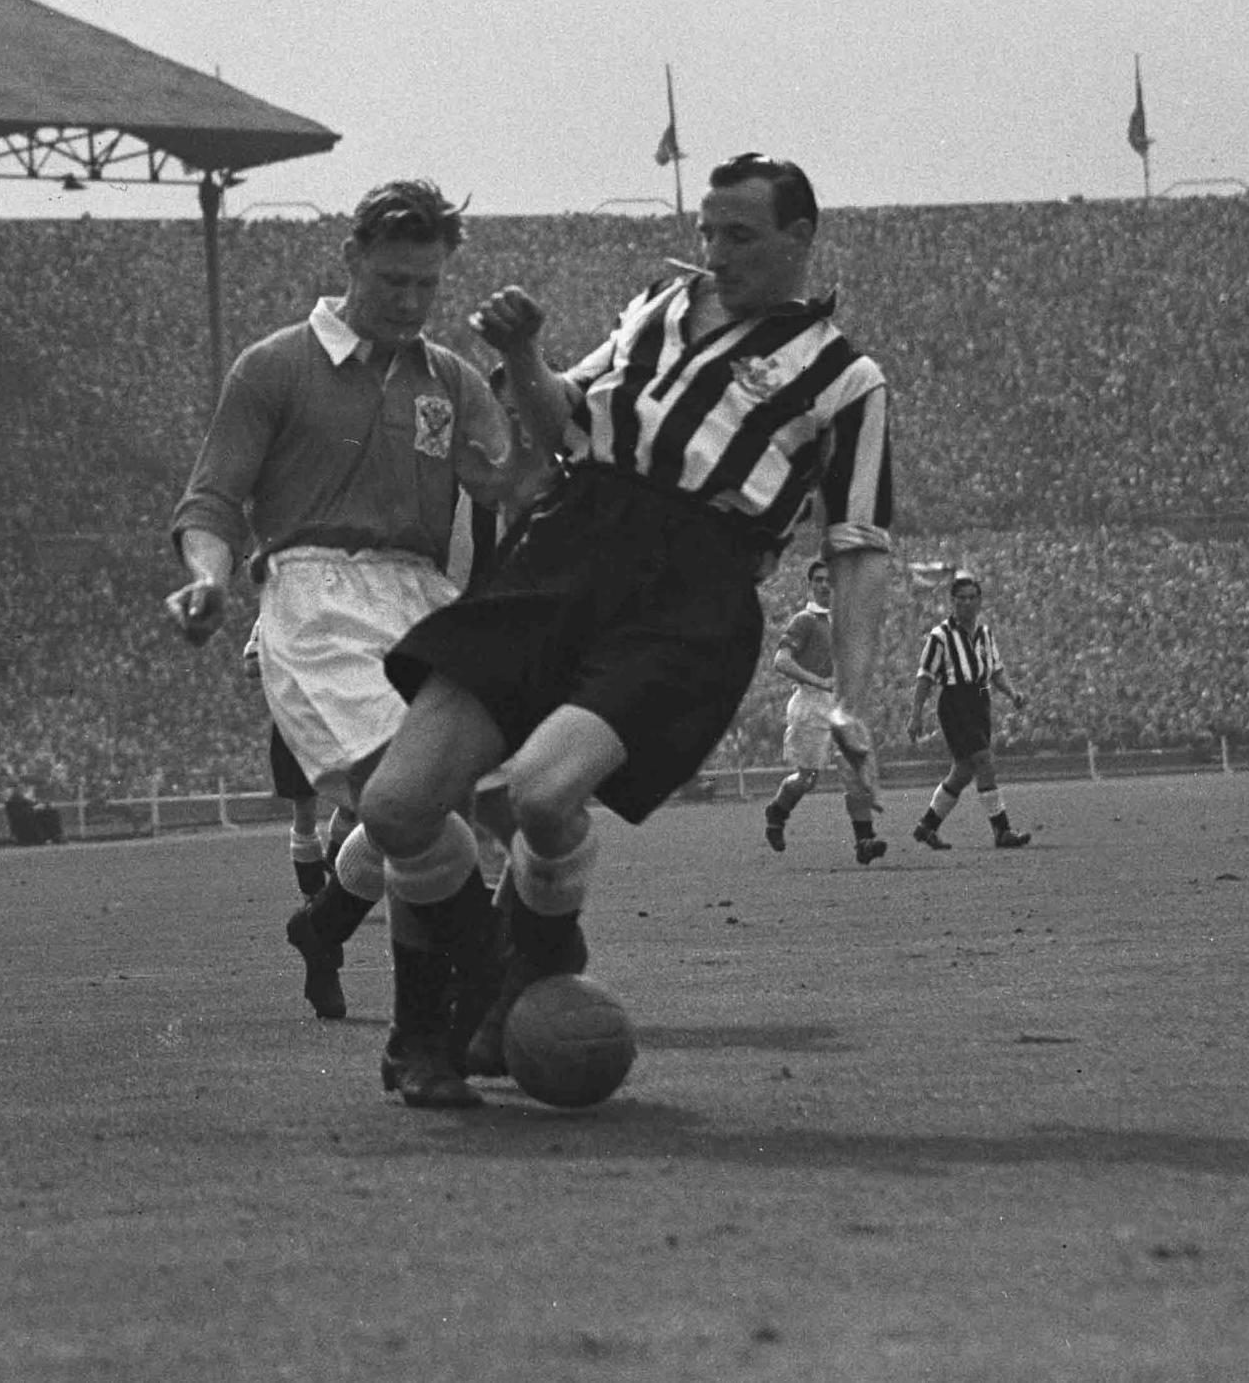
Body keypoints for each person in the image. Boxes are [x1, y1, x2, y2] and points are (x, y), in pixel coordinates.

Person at [357, 152, 895, 1110]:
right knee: (397, 808)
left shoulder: (846, 379)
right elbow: (559, 419)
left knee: (539, 791)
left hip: (688, 597)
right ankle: (455, 1010)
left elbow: (854, 543)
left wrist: (854, 695)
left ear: (799, 239)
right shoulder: (656, 306)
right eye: (707, 232)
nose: (716, 252)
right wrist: (523, 353)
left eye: (740, 236)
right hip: (562, 551)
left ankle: (476, 1000)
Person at [166, 178, 521, 1105]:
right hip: (315, 597)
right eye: (394, 281)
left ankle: (416, 1039)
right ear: (352, 257)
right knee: (407, 811)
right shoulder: (275, 367)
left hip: (425, 598)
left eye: (427, 287)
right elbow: (212, 502)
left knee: (468, 812)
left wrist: (530, 381)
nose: (409, 303)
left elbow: (511, 487)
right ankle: (493, 987)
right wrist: (206, 578)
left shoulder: (450, 378)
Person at [761, 557, 883, 861]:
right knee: (807, 779)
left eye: (830, 580)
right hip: (810, 703)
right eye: (819, 580)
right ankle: (777, 812)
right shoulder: (805, 620)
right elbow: (781, 661)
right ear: (810, 585)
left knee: (855, 772)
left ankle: (864, 842)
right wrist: (820, 681)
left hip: (840, 706)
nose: (825, 585)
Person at [904, 570, 1029, 850]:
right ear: (952, 602)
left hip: (980, 699)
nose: (967, 603)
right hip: (955, 703)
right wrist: (915, 715)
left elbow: (995, 670)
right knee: (983, 759)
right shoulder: (940, 636)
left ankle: (927, 826)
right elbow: (924, 677)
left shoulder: (985, 633)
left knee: (962, 771)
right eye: (961, 599)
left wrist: (1012, 693)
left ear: (980, 601)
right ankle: (1002, 830)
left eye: (972, 598)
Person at [246, 626, 350, 896]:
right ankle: (313, 895)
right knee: (305, 810)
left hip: (336, 716)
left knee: (354, 804)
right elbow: (250, 664)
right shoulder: (273, 613)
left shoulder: (335, 599)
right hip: (294, 720)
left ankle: (335, 870)